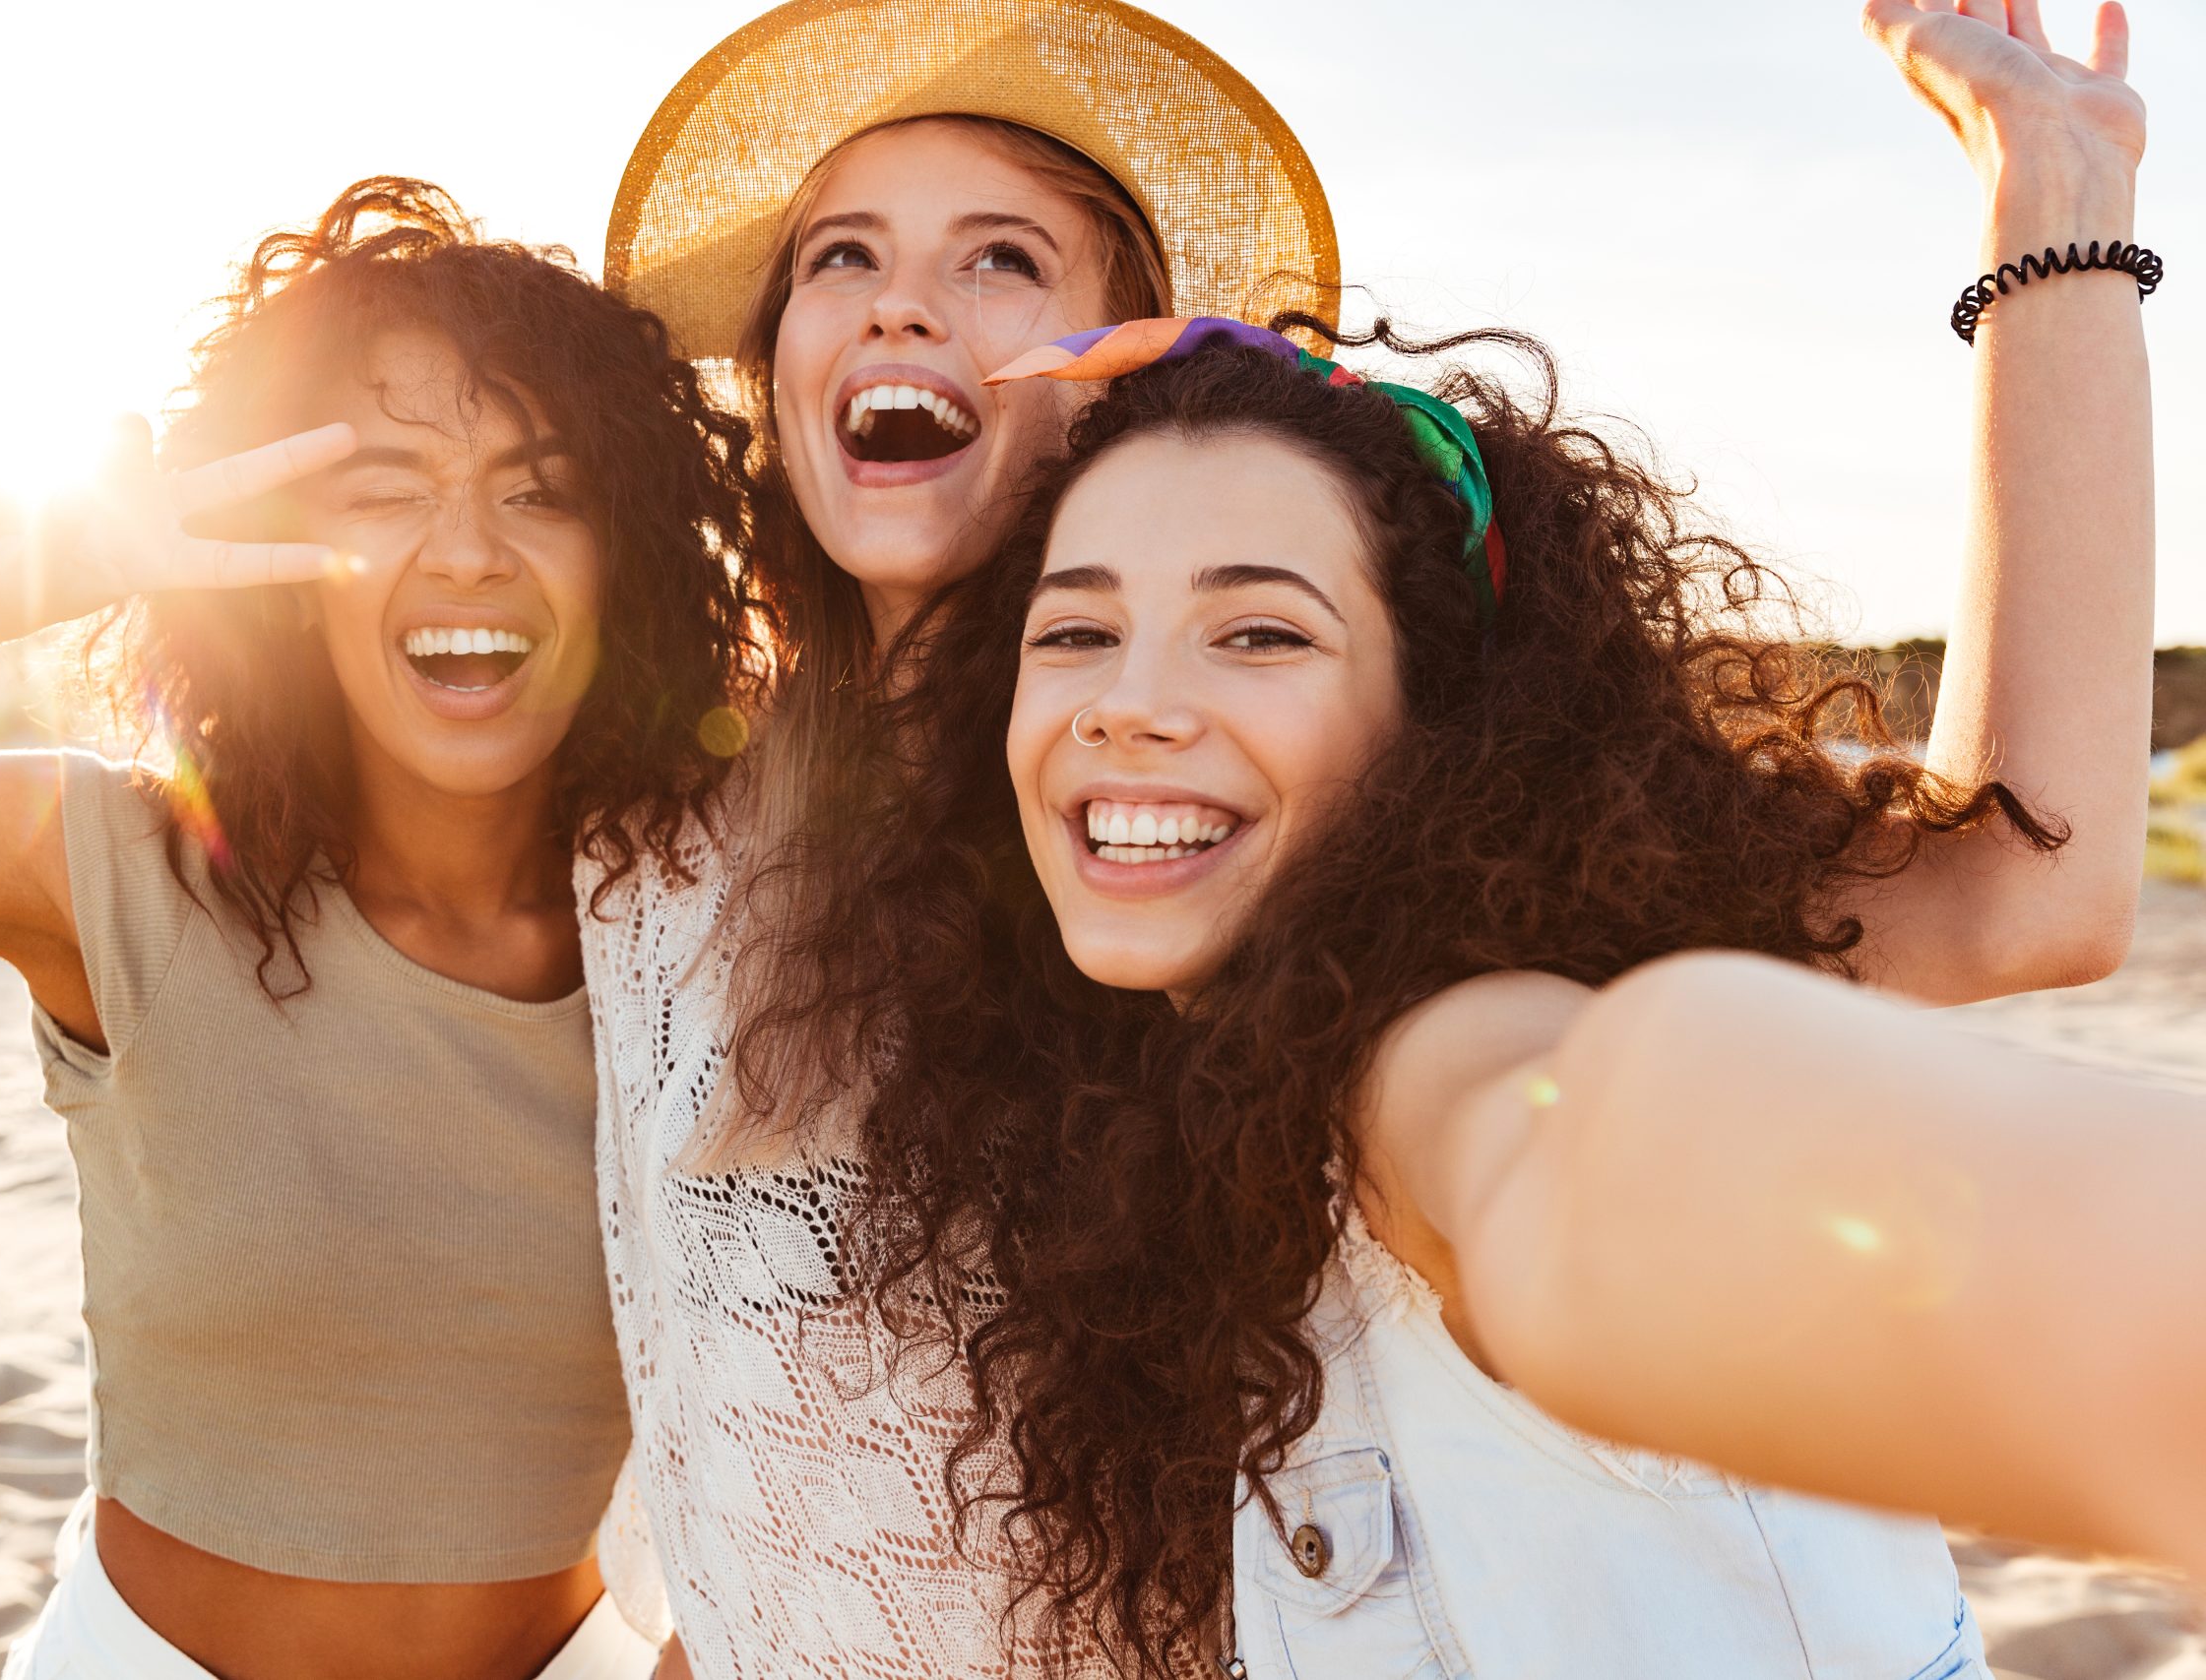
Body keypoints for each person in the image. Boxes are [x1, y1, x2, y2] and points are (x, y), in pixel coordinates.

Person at [592, 0, 2156, 1673]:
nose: (904, 297)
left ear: (1132, 361)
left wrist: (2050, 204)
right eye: (839, 255)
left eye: (999, 259)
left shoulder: (1347, 882)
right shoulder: (657, 835)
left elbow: (1963, 923)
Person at [832, 300, 2191, 1673]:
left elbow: (1568, 1152)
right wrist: (2057, 197)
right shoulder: (1177, 1097)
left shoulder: (1431, 1053)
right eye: (1074, 634)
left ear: (1437, 719)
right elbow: (2035, 893)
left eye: (1259, 635)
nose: (1128, 702)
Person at [0, 177, 753, 1680]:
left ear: (627, 558)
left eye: (543, 487)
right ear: (272, 557)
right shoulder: (117, 866)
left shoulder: (710, 930)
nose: (466, 551)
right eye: (384, 485)